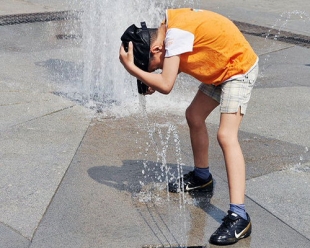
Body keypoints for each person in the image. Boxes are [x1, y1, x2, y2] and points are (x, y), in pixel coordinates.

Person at [119, 8, 258, 246]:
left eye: (152, 66)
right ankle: (202, 177)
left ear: (155, 49)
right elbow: (171, 64)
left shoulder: (174, 35)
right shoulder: (167, 30)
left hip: (238, 69)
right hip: (220, 68)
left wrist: (133, 69)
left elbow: (166, 85)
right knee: (194, 115)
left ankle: (239, 216)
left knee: (226, 135)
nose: (154, 70)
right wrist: (148, 74)